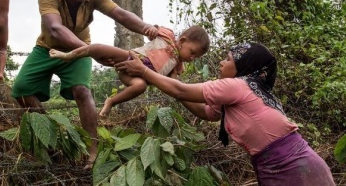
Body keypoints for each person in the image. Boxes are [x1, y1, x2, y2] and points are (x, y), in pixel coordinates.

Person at [11, 0, 159, 168]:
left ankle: (93, 149)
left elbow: (121, 14)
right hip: (48, 49)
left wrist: (147, 28)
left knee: (82, 91)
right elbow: (55, 28)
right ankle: (53, 136)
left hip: (81, 50)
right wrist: (92, 51)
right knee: (22, 89)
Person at [116, 42, 335, 186]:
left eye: (228, 59)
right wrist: (171, 82)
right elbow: (206, 111)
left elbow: (181, 90)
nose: (222, 62)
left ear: (242, 66)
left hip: (295, 169)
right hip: (279, 167)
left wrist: (145, 70)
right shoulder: (249, 90)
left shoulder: (237, 85)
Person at [49, 25, 210, 117]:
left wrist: (175, 81)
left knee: (140, 86)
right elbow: (152, 30)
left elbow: (174, 85)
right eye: (192, 52)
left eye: (196, 57)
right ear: (182, 41)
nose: (192, 58)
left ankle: (111, 101)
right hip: (131, 58)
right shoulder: (167, 37)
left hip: (140, 77)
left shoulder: (177, 65)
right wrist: (153, 30)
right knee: (98, 48)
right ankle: (69, 55)